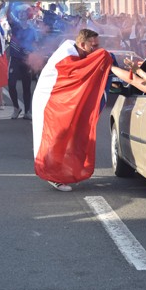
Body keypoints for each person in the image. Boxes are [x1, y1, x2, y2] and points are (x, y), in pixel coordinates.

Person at [31, 28, 114, 192]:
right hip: (49, 101)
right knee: (54, 138)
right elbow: (79, 71)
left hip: (59, 100)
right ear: (82, 44)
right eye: (93, 46)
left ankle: (61, 172)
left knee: (69, 135)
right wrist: (102, 56)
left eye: (98, 46)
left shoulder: (78, 53)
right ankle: (53, 176)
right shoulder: (67, 55)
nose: (95, 49)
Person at [6, 2, 36, 120]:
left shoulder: (32, 30)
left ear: (28, 14)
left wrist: (32, 53)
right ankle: (16, 107)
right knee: (11, 84)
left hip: (26, 61)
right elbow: (8, 16)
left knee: (27, 86)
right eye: (20, 12)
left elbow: (35, 45)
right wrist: (9, 4)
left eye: (24, 12)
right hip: (15, 60)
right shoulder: (15, 26)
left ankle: (27, 111)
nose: (22, 14)